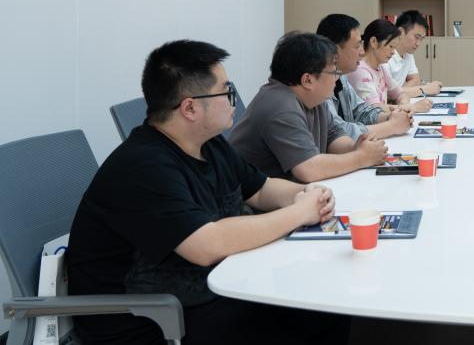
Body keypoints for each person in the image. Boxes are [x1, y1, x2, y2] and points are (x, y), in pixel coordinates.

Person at [67, 40, 347, 345]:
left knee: (320, 306)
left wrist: (307, 193)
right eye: (226, 92)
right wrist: (299, 212)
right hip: (147, 320)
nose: (233, 101)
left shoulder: (209, 144)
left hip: (202, 290)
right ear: (190, 108)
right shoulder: (143, 166)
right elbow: (207, 245)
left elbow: (261, 189)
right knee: (307, 314)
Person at [229, 31, 388, 182]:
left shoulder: (314, 98)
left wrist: (355, 147)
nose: (337, 78)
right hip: (252, 199)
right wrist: (360, 158)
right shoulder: (280, 106)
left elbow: (333, 136)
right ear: (308, 80)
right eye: (334, 73)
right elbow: (308, 169)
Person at [316, 13, 413, 140]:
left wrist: (388, 117)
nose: (362, 52)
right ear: (334, 50)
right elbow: (337, 131)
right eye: (357, 46)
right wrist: (391, 126)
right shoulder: (319, 84)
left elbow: (361, 110)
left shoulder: (341, 77)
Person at [346, 18, 431, 112]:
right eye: (391, 46)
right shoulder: (360, 71)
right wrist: (409, 108)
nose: (393, 52)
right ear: (374, 42)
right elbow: (374, 109)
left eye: (394, 47)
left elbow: (400, 93)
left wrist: (404, 104)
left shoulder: (381, 68)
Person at [386, 9, 443, 98]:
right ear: (400, 32)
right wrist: (425, 89)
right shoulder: (386, 55)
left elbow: (416, 80)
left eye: (421, 39)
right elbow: (386, 94)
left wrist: (399, 93)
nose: (418, 43)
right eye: (417, 37)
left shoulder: (408, 54)